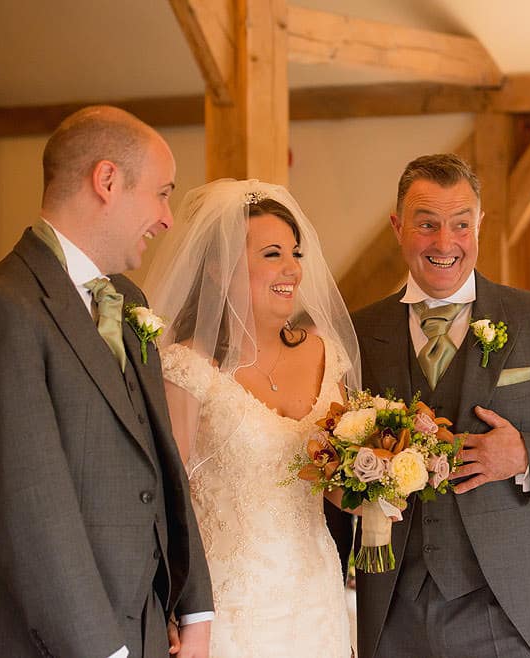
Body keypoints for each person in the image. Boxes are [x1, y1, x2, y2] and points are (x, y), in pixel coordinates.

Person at [0, 106, 214, 657]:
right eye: (161, 193)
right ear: (108, 181)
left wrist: (195, 607)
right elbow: (29, 508)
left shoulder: (129, 302)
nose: (166, 219)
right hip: (54, 644)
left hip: (143, 632)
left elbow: (162, 463)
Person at [352, 153, 530, 658]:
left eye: (460, 224)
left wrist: (526, 456)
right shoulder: (359, 332)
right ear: (398, 226)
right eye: (426, 224)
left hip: (508, 606)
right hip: (392, 609)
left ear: (479, 224)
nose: (444, 243)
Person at [147, 179, 358, 656]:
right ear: (220, 270)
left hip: (315, 597)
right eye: (271, 254)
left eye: (295, 254)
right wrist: (169, 603)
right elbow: (165, 500)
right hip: (228, 604)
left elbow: (339, 490)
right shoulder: (187, 367)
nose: (292, 269)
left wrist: (380, 482)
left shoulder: (327, 356)